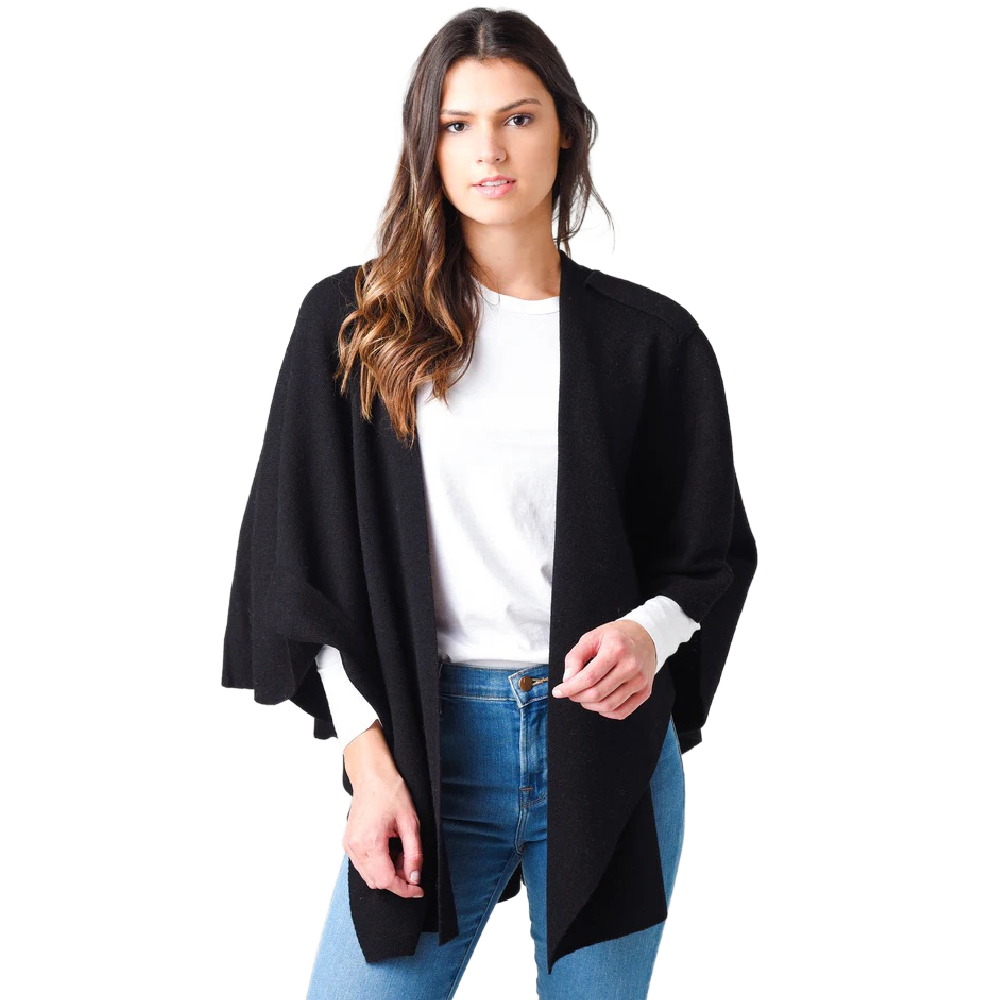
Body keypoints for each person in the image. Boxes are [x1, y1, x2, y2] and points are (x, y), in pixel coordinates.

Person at [221, 8, 756, 999]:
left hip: (604, 748)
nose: (489, 150)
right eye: (457, 124)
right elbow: (296, 566)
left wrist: (644, 634)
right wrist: (368, 766)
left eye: (518, 117)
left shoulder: (651, 341)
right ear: (425, 145)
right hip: (430, 749)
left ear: (566, 133)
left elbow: (707, 551)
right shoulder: (355, 324)